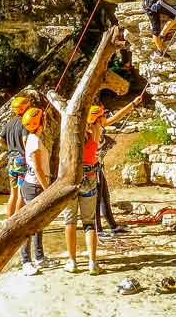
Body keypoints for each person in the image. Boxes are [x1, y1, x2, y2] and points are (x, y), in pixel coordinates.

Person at [88, 92, 146, 238]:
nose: (105, 115)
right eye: (102, 112)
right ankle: (98, 229)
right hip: (92, 167)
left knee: (104, 196)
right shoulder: (90, 128)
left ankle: (112, 225)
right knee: (96, 197)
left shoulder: (99, 124)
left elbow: (116, 117)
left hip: (98, 165)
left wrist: (132, 104)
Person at [63, 106, 104, 275]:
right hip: (90, 177)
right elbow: (101, 122)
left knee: (70, 221)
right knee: (89, 221)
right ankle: (92, 263)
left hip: (71, 178)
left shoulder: (69, 136)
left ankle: (72, 261)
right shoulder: (95, 132)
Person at [19, 107, 53, 275]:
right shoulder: (33, 140)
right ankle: (26, 261)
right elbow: (38, 169)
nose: (46, 121)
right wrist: (48, 190)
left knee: (39, 224)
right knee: (29, 226)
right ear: (39, 123)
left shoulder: (34, 138)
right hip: (33, 187)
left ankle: (39, 258)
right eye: (44, 118)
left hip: (35, 186)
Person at [0, 95, 32, 217]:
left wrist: (10, 148)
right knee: (21, 194)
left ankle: (9, 220)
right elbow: (25, 140)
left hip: (11, 161)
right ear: (25, 108)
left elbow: (1, 140)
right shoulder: (25, 123)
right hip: (22, 161)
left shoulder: (9, 124)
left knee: (13, 194)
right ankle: (17, 222)